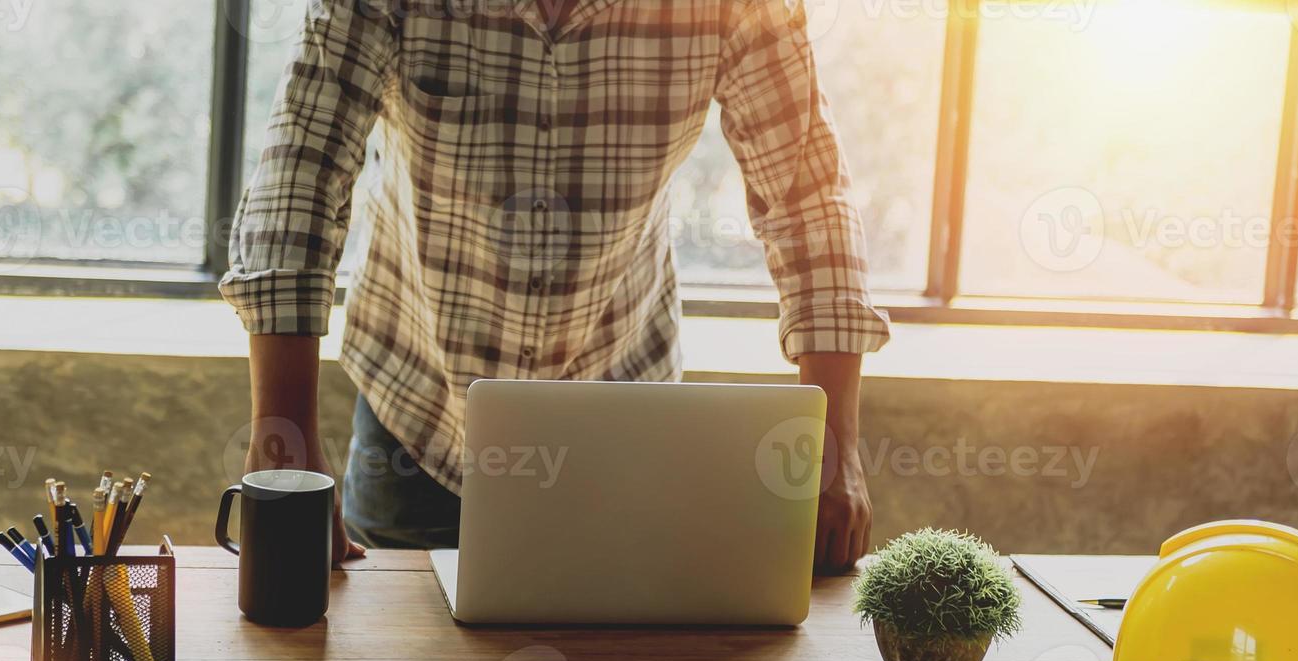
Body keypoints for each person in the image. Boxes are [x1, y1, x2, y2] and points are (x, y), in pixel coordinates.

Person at [223, 0, 891, 572]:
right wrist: (284, 438)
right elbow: (300, 177)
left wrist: (832, 447)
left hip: (621, 420)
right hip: (420, 422)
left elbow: (807, 202)